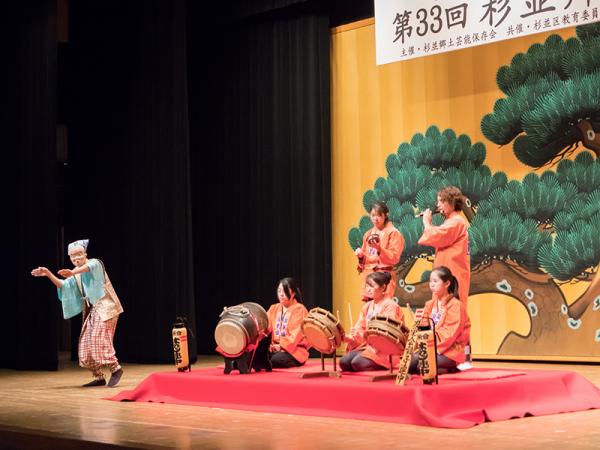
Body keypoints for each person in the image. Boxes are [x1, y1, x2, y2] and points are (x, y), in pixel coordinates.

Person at [31, 239, 124, 387]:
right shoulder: (77, 275)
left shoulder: (95, 263)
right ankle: (99, 376)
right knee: (85, 344)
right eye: (73, 256)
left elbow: (89, 267)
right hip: (94, 310)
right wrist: (48, 273)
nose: (76, 258)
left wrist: (72, 272)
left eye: (79, 254)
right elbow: (63, 285)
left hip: (107, 307)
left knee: (98, 338)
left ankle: (116, 369)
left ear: (85, 254)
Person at [408, 266, 471, 375]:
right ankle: (440, 368)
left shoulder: (456, 305)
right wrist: (419, 329)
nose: (431, 284)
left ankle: (450, 368)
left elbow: (450, 333)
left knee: (423, 366)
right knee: (409, 364)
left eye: (435, 281)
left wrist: (431, 346)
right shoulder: (429, 304)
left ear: (446, 284)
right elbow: (424, 327)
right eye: (430, 281)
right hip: (430, 346)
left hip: (449, 350)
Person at [340, 271, 404, 372]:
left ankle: (386, 364)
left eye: (371, 286)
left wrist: (367, 335)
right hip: (369, 346)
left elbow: (389, 332)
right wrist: (355, 334)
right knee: (344, 363)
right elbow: (360, 327)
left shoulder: (390, 306)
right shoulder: (367, 306)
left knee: (357, 363)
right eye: (367, 286)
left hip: (384, 349)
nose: (368, 289)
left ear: (383, 287)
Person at [418, 186, 470, 305]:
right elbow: (438, 234)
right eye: (438, 201)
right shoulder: (452, 221)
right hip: (447, 272)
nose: (438, 205)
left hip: (452, 273)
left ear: (452, 202)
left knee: (449, 310)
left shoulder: (456, 221)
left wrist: (426, 222)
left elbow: (437, 236)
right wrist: (429, 224)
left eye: (442, 201)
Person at [355, 201, 404, 300]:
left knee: (382, 310)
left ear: (386, 215)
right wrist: (361, 256)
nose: (375, 218)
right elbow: (364, 260)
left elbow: (394, 258)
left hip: (383, 277)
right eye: (373, 215)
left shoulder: (393, 233)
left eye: (379, 215)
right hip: (369, 276)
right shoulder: (368, 234)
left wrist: (379, 249)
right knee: (369, 311)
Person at [266, 277, 310, 368]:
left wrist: (281, 346)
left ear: (293, 293)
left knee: (276, 360)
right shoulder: (273, 308)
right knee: (258, 356)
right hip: (274, 348)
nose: (281, 294)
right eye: (279, 291)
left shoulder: (299, 310)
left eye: (285, 291)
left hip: (294, 350)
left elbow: (295, 335)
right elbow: (266, 329)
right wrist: (269, 345)